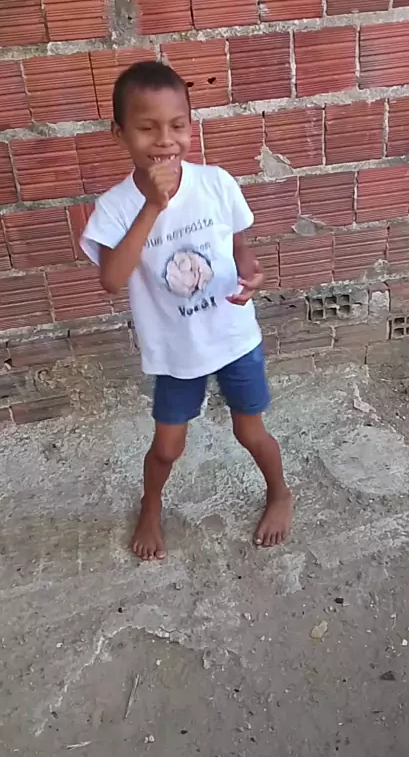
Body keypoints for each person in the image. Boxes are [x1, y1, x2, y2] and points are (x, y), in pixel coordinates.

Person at [81, 60, 293, 561]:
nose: (165, 140)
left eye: (177, 125)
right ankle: (150, 504)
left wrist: (250, 270)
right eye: (147, 128)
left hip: (233, 336)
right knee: (167, 447)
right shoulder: (115, 207)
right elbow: (111, 279)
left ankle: (280, 492)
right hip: (177, 352)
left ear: (191, 126)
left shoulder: (215, 182)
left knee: (250, 431)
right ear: (119, 133)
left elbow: (238, 243)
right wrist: (153, 205)